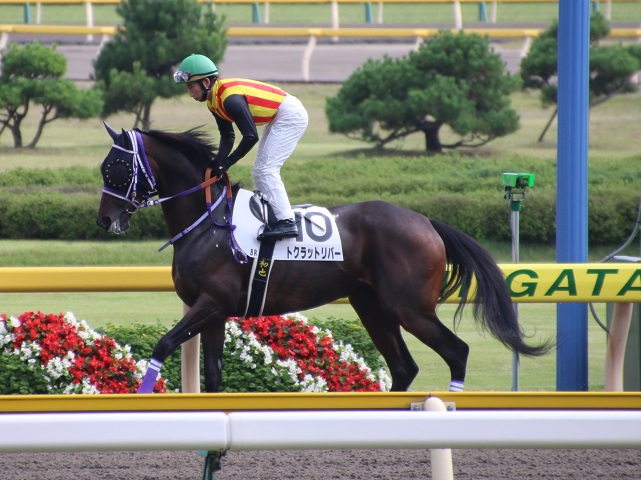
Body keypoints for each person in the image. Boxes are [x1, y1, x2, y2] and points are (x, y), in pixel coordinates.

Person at [173, 53, 308, 240]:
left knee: (267, 169)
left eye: (191, 87)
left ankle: (287, 222)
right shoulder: (213, 101)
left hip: (290, 115)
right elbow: (227, 136)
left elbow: (250, 136)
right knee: (258, 171)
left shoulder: (230, 98)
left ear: (205, 82)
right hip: (277, 117)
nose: (190, 93)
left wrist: (227, 163)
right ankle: (269, 214)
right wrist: (218, 162)